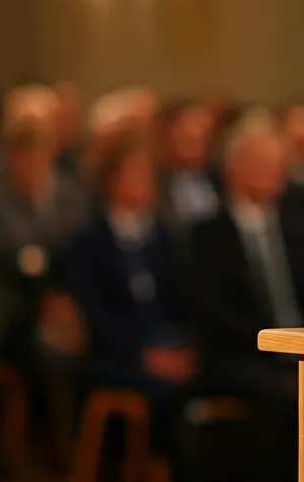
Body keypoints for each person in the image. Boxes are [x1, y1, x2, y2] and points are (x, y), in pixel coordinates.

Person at [189, 112, 304, 481]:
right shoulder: (208, 235)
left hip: (297, 351)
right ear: (233, 168)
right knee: (284, 398)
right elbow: (216, 313)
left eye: (277, 165)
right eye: (262, 164)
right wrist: (276, 344)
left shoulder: (297, 229)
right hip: (241, 356)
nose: (274, 174)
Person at [66, 130, 193, 472]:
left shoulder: (164, 238)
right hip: (116, 353)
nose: (141, 184)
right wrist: (144, 354)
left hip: (167, 346)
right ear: (111, 180)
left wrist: (180, 348)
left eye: (147, 175)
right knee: (166, 394)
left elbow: (180, 300)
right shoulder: (89, 242)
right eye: (132, 174)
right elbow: (96, 316)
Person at [0, 119, 90, 466]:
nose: (32, 167)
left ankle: (86, 448)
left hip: (67, 304)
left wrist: (63, 297)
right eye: (24, 158)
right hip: (11, 309)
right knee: (41, 351)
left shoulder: (70, 196)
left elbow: (79, 252)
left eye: (39, 158)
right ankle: (41, 446)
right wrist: (42, 294)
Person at [159, 101, 220, 229]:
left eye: (201, 139)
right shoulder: (155, 183)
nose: (196, 147)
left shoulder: (219, 179)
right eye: (187, 140)